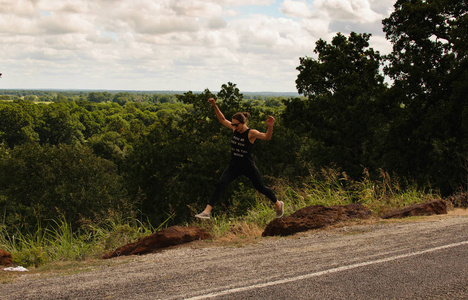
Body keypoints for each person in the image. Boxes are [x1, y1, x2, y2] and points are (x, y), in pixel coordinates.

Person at [195, 98, 284, 220]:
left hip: (248, 166)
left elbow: (267, 137)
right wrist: (215, 105)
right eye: (233, 124)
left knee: (260, 187)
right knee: (220, 184)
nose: (234, 126)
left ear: (243, 123)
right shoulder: (234, 129)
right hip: (234, 166)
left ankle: (278, 204)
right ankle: (206, 212)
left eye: (236, 124)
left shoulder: (251, 133)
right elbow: (222, 119)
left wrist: (270, 127)